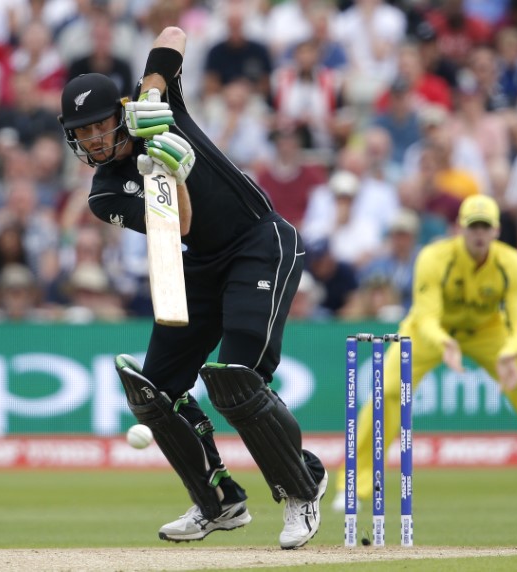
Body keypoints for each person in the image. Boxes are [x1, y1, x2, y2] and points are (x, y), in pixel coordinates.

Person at [57, 27, 327, 550]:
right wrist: (173, 171)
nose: (92, 139)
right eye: (81, 133)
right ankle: (218, 500)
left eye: (98, 126)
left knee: (238, 379)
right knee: (153, 388)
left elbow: (173, 35)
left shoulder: (158, 107)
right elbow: (178, 225)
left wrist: (155, 96)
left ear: (120, 112)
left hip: (260, 242)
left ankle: (302, 485)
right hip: (200, 263)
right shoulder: (105, 192)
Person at [331, 195, 517, 513]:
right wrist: (444, 343)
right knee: (386, 390)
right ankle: (353, 488)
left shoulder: (512, 263)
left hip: (488, 333)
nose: (478, 234)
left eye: (485, 227)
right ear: (459, 229)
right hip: (430, 332)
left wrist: (509, 353)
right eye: (472, 227)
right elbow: (425, 315)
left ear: (496, 230)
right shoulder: (434, 257)